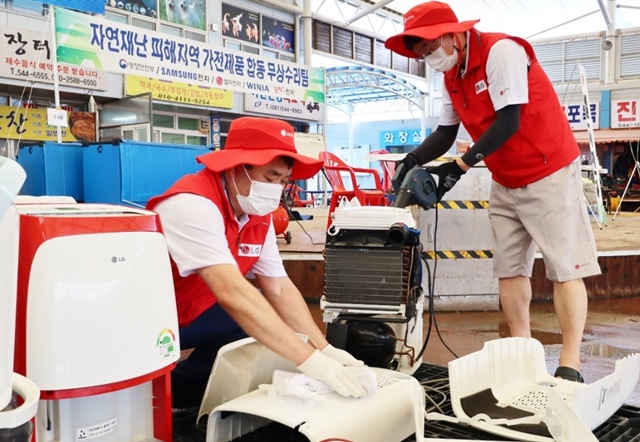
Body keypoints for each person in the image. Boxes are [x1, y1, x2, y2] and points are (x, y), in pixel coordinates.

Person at [386, 1, 601, 382]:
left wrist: (460, 167)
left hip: (548, 170)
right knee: (509, 269)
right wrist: (413, 159)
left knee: (564, 268)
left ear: (454, 35)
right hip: (506, 177)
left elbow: (509, 121)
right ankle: (524, 357)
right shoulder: (452, 76)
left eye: (430, 47)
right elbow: (445, 134)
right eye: (420, 53)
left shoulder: (501, 52)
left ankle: (571, 364)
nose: (428, 57)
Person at [146, 116, 369, 408]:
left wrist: (324, 348)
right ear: (235, 167)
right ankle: (146, 391)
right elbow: (232, 292)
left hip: (189, 312)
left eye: (283, 181)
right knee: (249, 310)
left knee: (264, 309)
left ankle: (179, 395)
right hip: (148, 322)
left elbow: (279, 288)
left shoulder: (256, 215)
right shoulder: (192, 205)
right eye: (270, 178)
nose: (276, 190)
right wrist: (308, 360)